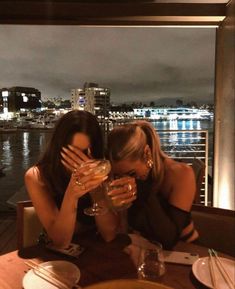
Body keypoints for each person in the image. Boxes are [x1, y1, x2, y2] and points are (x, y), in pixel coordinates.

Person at [24, 110, 115, 248]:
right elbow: (60, 241)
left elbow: (109, 234)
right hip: (57, 257)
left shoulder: (102, 168)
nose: (80, 161)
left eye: (84, 153)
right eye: (72, 152)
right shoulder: (37, 176)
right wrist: (72, 194)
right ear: (59, 147)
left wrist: (96, 190)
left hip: (98, 250)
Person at [106, 120, 199, 249]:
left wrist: (142, 188)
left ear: (147, 153)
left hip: (183, 250)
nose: (125, 180)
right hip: (143, 248)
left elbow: (169, 238)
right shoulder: (122, 180)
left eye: (131, 173)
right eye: (119, 175)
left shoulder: (181, 174)